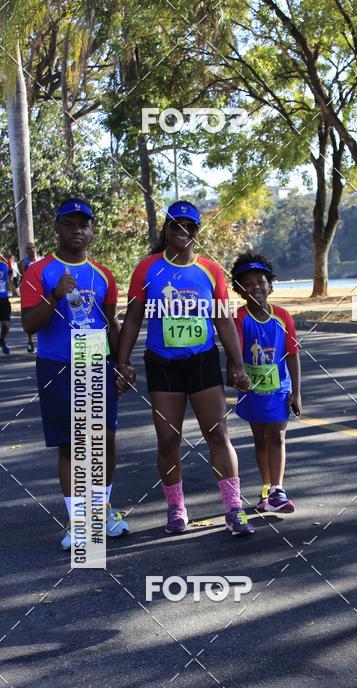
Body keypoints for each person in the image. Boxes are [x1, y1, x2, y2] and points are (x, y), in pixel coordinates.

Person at [117, 201, 255, 537]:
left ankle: (234, 509)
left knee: (218, 434)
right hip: (163, 363)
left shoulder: (210, 270)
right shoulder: (148, 268)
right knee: (168, 438)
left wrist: (237, 365)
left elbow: (222, 319)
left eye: (190, 226)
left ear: (197, 231)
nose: (183, 232)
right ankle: (177, 508)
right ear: (166, 229)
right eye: (176, 225)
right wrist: (123, 362)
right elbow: (134, 317)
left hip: (202, 360)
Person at [20, 198, 129, 549]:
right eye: (70, 223)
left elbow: (111, 323)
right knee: (71, 444)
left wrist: (123, 362)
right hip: (57, 363)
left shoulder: (103, 275)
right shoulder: (40, 272)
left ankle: (102, 509)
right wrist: (54, 295)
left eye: (84, 224)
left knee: (104, 440)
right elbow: (28, 325)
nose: (77, 229)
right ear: (57, 228)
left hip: (97, 360)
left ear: (91, 230)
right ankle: (78, 521)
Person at [229, 252, 301, 513]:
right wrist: (235, 375)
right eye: (247, 284)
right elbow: (233, 351)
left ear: (271, 285)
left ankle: (278, 490)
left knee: (278, 437)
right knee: (260, 440)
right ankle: (266, 489)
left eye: (260, 281)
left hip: (279, 390)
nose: (255, 287)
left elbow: (292, 356)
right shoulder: (239, 318)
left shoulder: (283, 317)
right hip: (252, 391)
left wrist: (296, 392)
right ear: (239, 290)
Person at [20, 242, 39, 353]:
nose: (31, 250)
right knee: (30, 316)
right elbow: (24, 277)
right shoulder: (24, 262)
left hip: (42, 290)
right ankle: (30, 341)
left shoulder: (41, 260)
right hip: (30, 291)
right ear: (26, 251)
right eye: (28, 248)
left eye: (32, 247)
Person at [0, 251, 13, 355]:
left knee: (5, 325)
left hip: (3, 298)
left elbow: (10, 273)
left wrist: (10, 284)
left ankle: (2, 339)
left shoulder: (4, 265)